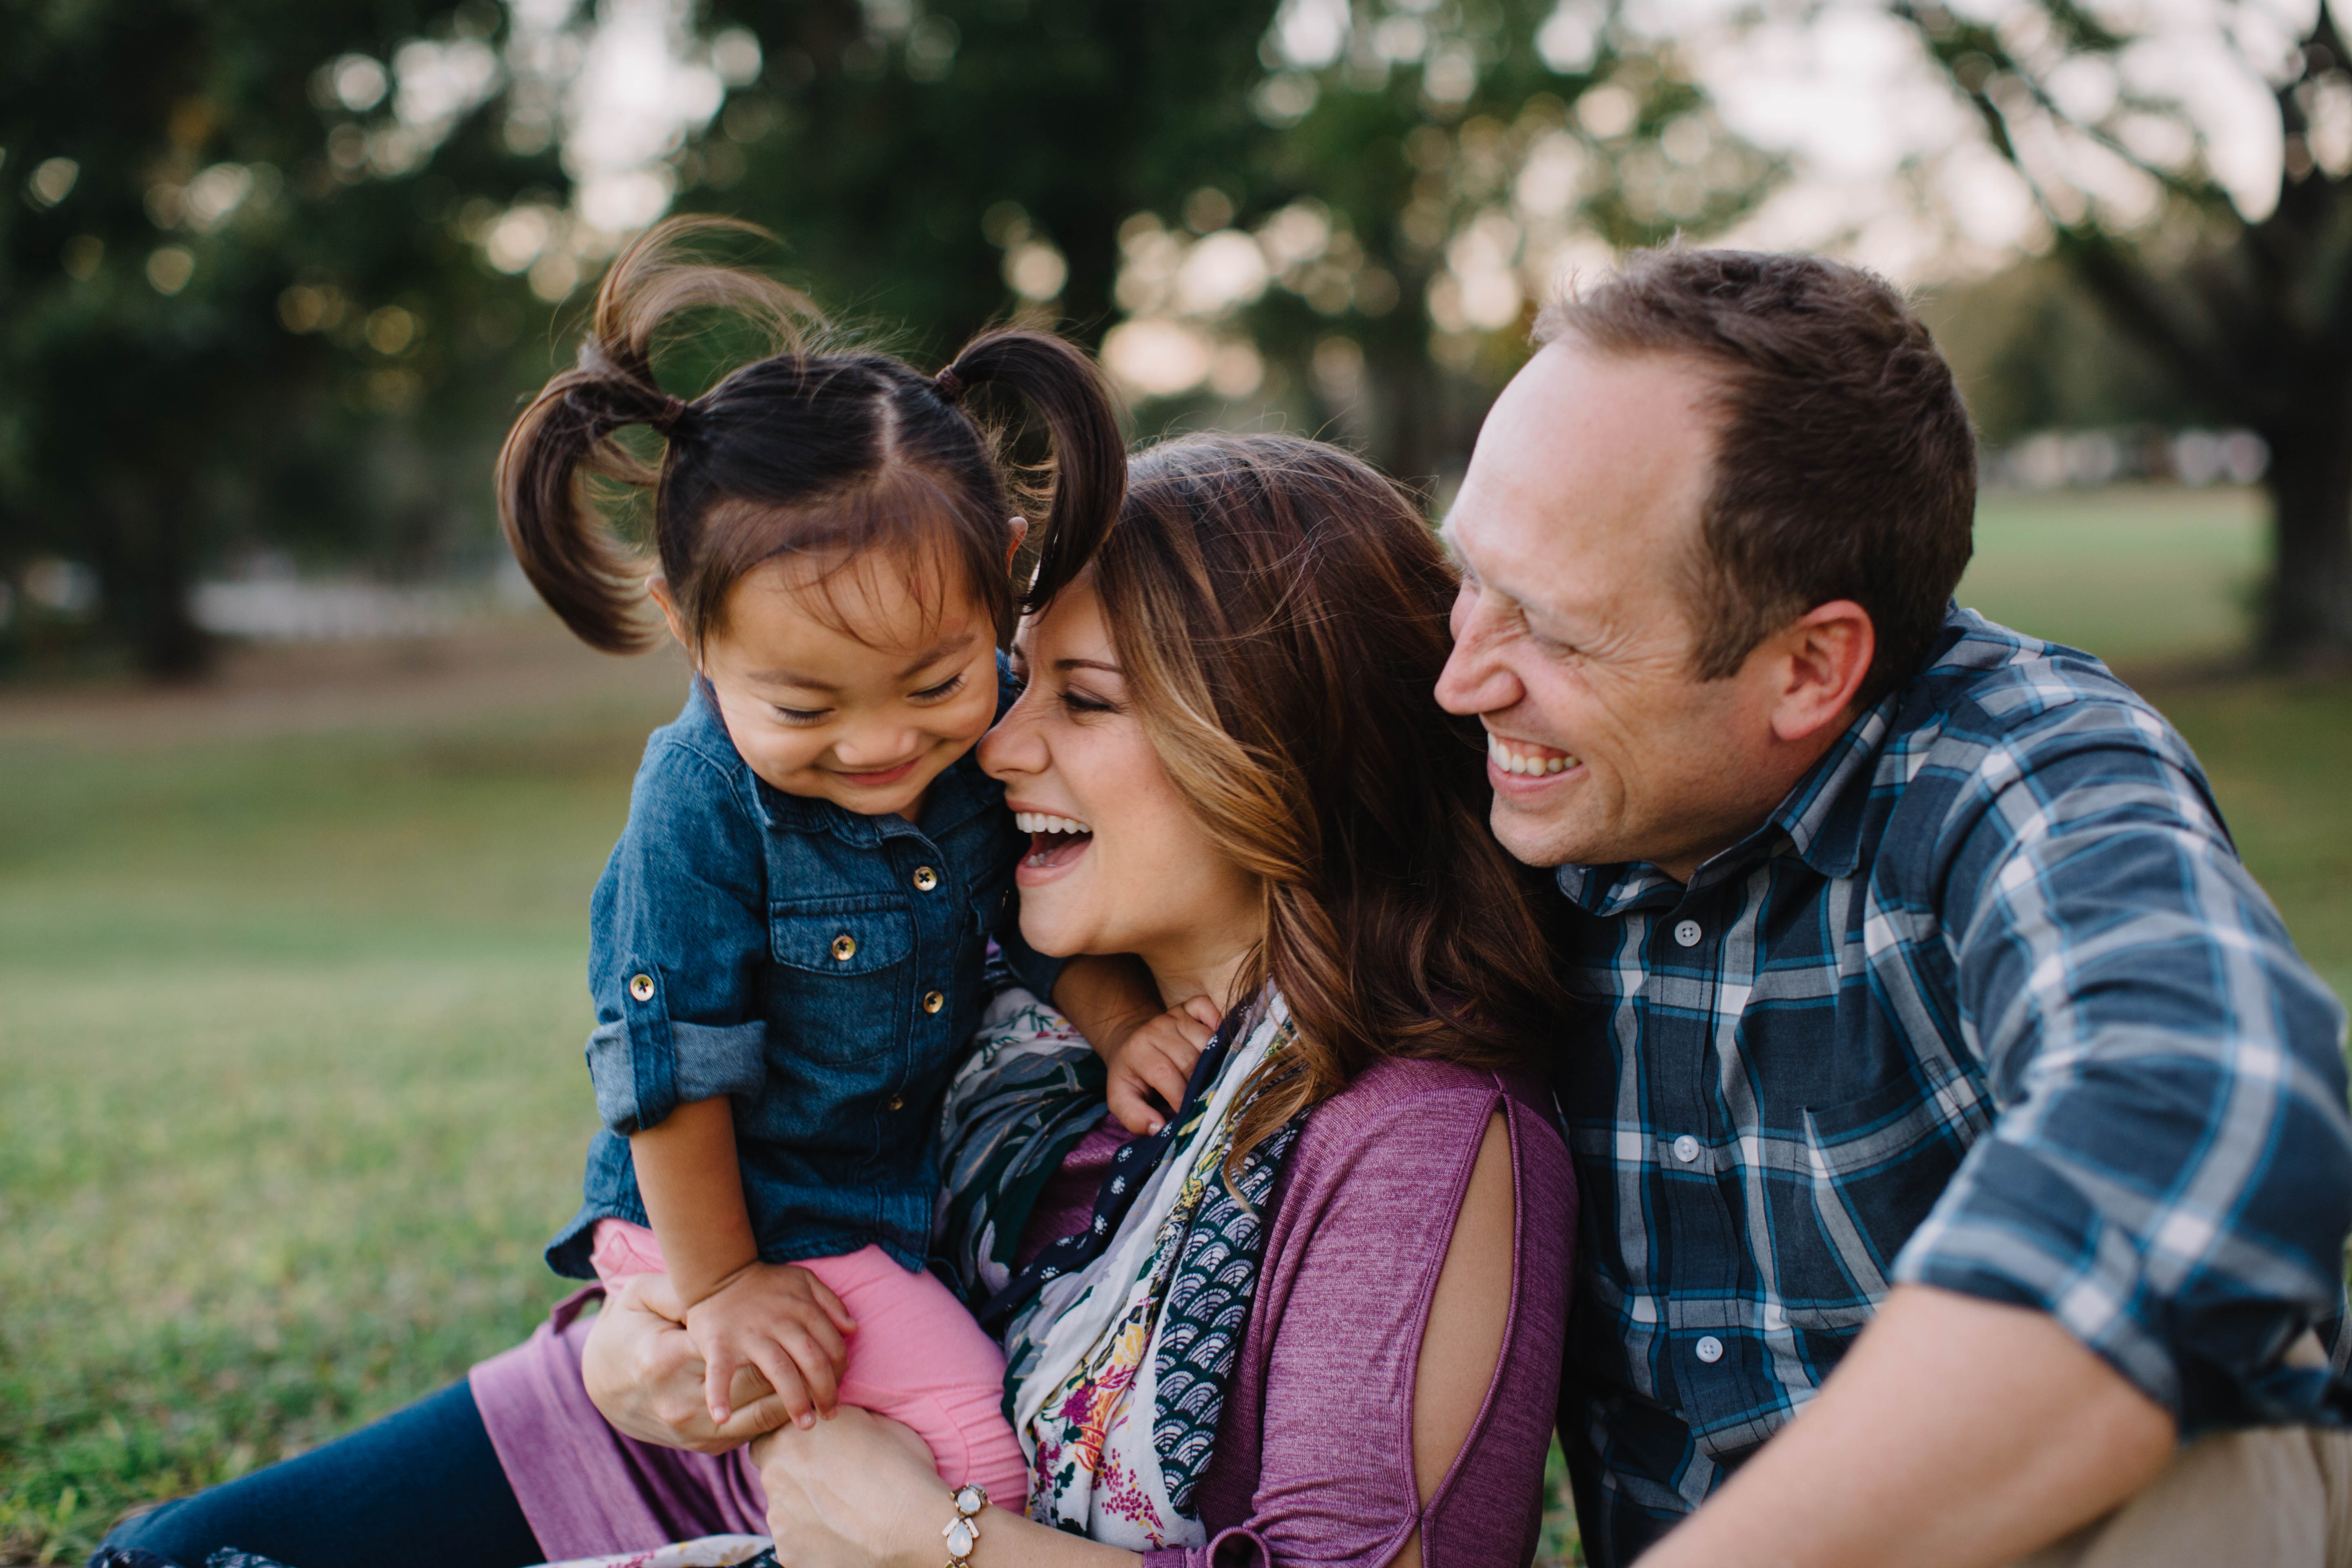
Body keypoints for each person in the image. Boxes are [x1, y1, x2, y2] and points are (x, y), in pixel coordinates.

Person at [91, 219, 1163, 1568]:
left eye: (935, 683)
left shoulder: (998, 725)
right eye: (804, 703)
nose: (882, 743)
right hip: (724, 1218)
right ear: (686, 623)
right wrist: (720, 1292)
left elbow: (1024, 918)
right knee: (969, 1446)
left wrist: (1126, 1027)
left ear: (1005, 569)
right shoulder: (699, 806)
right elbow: (671, 1071)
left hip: (857, 1206)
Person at [1433, 245, 2352, 1567]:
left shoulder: (2020, 768)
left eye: (1559, 635)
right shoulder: (1516, 764)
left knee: (2221, 1401)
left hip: (2033, 1534)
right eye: (1471, 578)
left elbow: (2209, 1110)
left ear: (1811, 666)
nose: (1466, 679)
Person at [576, 433, 1577, 1568]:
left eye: (1084, 701)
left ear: (1282, 742)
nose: (996, 747)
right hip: (658, 1463)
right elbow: (714, 1184)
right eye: (1014, 677)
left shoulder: (1411, 1143)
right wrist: (625, 1353)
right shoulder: (1010, 1001)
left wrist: (934, 1543)